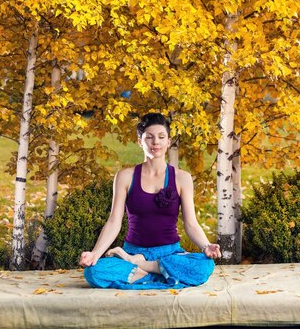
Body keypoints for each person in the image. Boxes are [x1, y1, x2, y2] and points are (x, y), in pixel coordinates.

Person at [79, 113, 221, 289]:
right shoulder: (125, 177)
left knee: (204, 266)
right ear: (140, 141)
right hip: (133, 250)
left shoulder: (182, 178)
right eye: (149, 137)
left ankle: (141, 268)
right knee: (93, 272)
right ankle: (163, 274)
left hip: (169, 254)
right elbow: (114, 222)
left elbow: (191, 223)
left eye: (161, 137)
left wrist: (206, 246)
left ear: (168, 142)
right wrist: (95, 254)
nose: (156, 142)